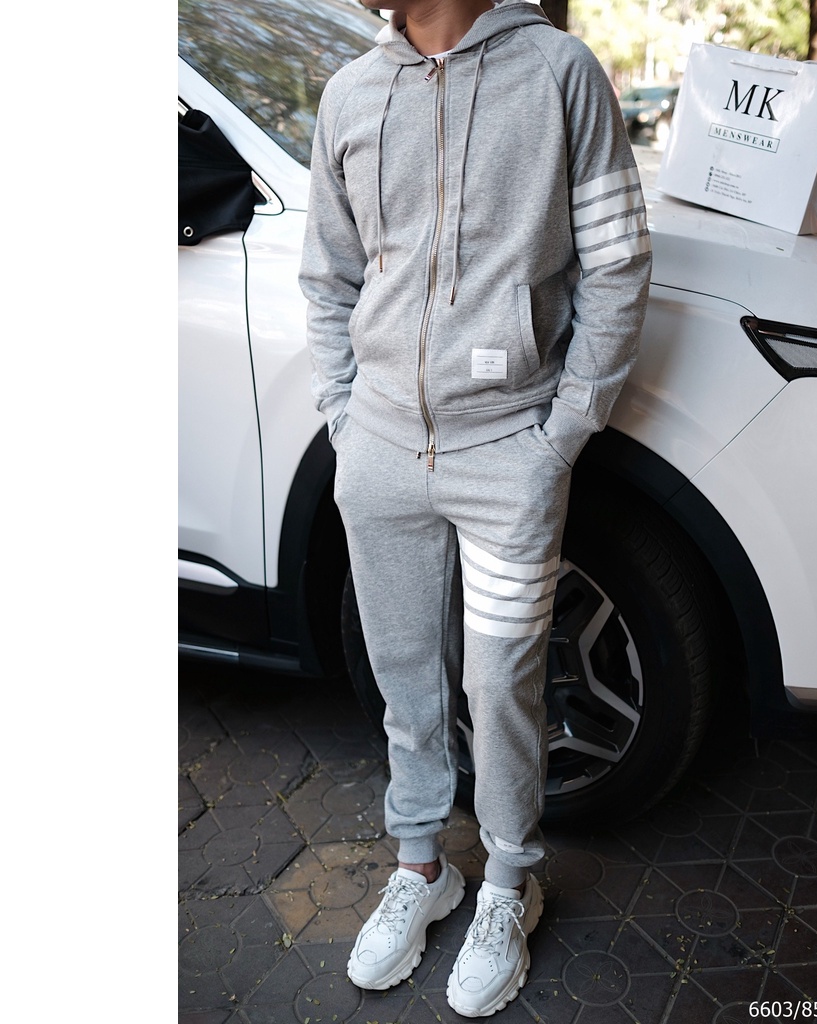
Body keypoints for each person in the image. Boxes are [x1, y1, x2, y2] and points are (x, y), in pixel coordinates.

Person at [299, 0, 651, 1015]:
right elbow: (327, 276)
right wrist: (344, 417)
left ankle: (506, 882)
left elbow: (618, 262)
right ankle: (420, 867)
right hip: (379, 450)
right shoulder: (351, 93)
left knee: (500, 685)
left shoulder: (559, 73)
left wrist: (559, 437)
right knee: (403, 673)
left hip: (507, 455)